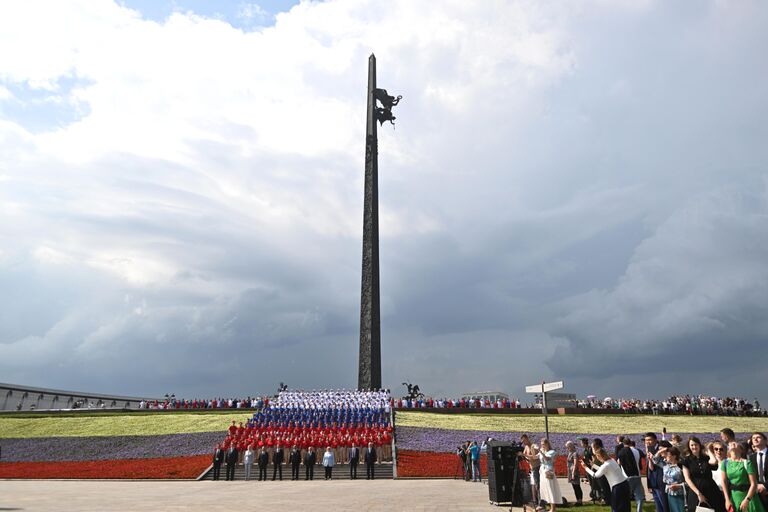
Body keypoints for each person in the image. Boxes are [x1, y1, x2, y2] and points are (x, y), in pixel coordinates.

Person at [682, 436, 725, 512]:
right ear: (689, 446)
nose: (694, 447)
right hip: (695, 492)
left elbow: (714, 462)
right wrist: (699, 494)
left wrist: (708, 450)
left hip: (711, 491)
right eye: (692, 445)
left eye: (696, 444)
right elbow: (687, 479)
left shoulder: (706, 458)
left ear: (699, 445)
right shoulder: (686, 460)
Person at [582, 447, 631, 512]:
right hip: (625, 484)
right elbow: (603, 469)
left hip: (617, 487)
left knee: (616, 507)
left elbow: (595, 475)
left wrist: (586, 468)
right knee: (626, 506)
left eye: (597, 456)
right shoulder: (612, 460)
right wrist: (593, 465)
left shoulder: (605, 465)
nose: (597, 458)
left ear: (599, 456)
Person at [721, 443, 765, 512]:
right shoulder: (725, 463)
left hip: (749, 497)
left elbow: (753, 484)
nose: (733, 444)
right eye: (731, 444)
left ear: (741, 450)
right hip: (734, 497)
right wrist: (727, 499)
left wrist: (747, 500)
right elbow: (723, 482)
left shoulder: (747, 463)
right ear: (728, 449)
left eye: (735, 443)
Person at [652, 446, 686, 512]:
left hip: (680, 494)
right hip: (669, 493)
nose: (665, 456)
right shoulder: (666, 466)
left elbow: (688, 481)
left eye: (668, 455)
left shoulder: (681, 466)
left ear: (674, 456)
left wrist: (679, 486)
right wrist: (661, 450)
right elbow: (655, 460)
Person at [618, 437, 645, 512]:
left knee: (626, 496)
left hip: (626, 476)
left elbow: (619, 463)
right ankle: (639, 510)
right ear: (630, 443)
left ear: (623, 443)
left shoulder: (621, 452)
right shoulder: (636, 451)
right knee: (639, 496)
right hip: (637, 475)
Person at [645, 433, 670, 512]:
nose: (647, 442)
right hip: (654, 483)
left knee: (665, 506)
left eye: (649, 440)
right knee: (659, 507)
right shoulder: (649, 450)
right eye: (646, 440)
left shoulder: (661, 448)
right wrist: (650, 459)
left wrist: (657, 454)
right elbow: (651, 469)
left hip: (662, 482)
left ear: (655, 440)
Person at [539, 438, 562, 512]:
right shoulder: (543, 451)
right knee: (546, 489)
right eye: (541, 444)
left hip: (549, 471)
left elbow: (547, 459)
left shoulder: (552, 452)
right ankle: (551, 507)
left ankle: (553, 508)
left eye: (543, 444)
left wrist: (541, 452)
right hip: (543, 471)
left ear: (547, 444)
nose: (542, 446)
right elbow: (534, 457)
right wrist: (524, 454)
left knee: (550, 488)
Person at [748, 433, 768, 511]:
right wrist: (757, 486)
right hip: (758, 492)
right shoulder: (751, 457)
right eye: (753, 438)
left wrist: (765, 486)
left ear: (765, 440)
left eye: (758, 437)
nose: (755, 439)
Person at [523, 434, 542, 508]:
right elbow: (526, 456)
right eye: (522, 441)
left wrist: (526, 456)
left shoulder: (533, 446)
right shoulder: (526, 447)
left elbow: (535, 457)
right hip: (532, 468)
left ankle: (540, 502)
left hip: (537, 467)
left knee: (537, 485)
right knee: (533, 485)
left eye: (524, 440)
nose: (523, 442)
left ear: (527, 439)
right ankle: (535, 501)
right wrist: (525, 457)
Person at [566, 441, 583, 505]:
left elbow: (575, 463)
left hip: (574, 471)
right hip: (570, 471)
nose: (568, 448)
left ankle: (580, 501)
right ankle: (578, 500)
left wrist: (573, 473)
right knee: (574, 486)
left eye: (569, 447)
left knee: (577, 486)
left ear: (572, 446)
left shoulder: (575, 453)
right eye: (567, 447)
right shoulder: (570, 453)